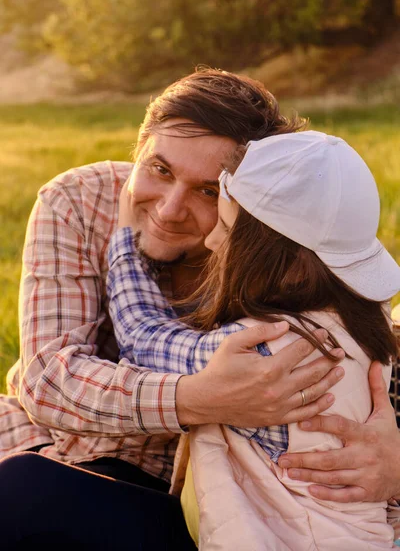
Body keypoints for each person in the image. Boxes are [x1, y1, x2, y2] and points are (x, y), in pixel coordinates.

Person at [0, 69, 397, 549]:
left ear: (250, 201)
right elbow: (48, 379)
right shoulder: (79, 201)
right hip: (96, 455)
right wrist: (200, 397)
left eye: (209, 192)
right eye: (159, 170)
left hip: (220, 514)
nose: (169, 210)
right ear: (139, 147)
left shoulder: (278, 274)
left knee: (23, 489)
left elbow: (142, 331)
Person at [106, 129, 400, 549]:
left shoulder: (275, 349)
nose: (210, 241)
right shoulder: (359, 319)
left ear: (288, 264)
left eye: (225, 229)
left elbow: (142, 338)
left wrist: (124, 243)